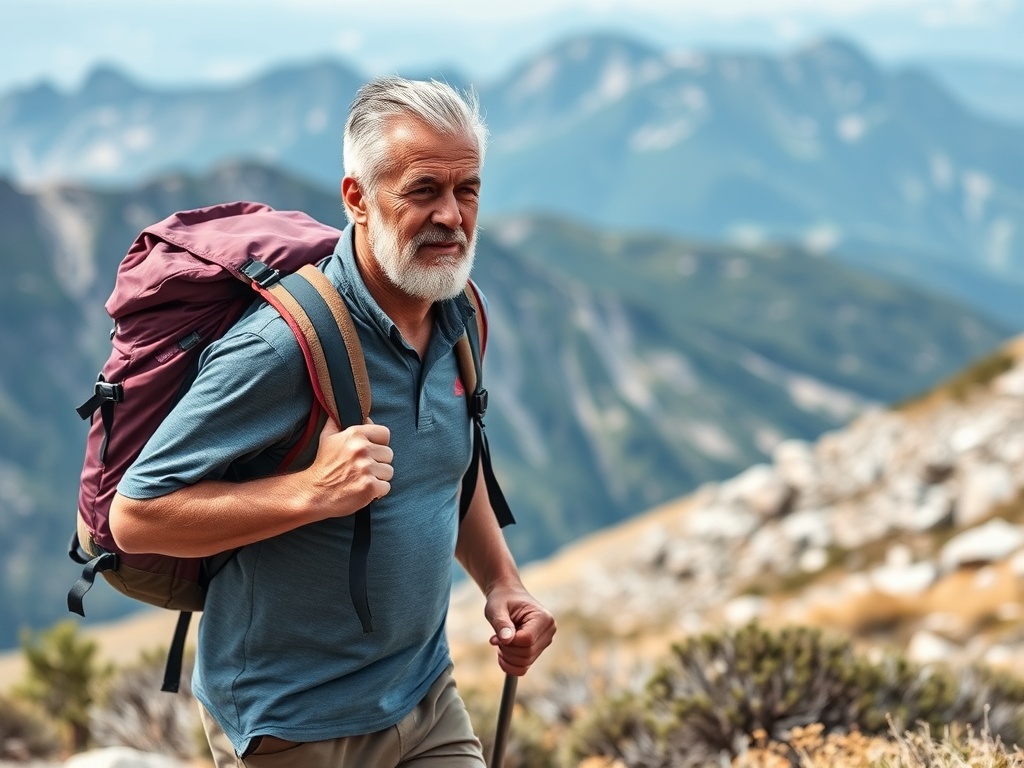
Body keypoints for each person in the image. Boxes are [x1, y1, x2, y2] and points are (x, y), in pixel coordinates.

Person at [108, 76, 556, 767]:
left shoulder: (462, 315)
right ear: (357, 198)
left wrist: (503, 582)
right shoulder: (281, 346)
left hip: (425, 695)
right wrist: (312, 492)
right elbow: (136, 516)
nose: (452, 216)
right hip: (293, 723)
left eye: (467, 189)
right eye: (423, 190)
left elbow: (449, 466)